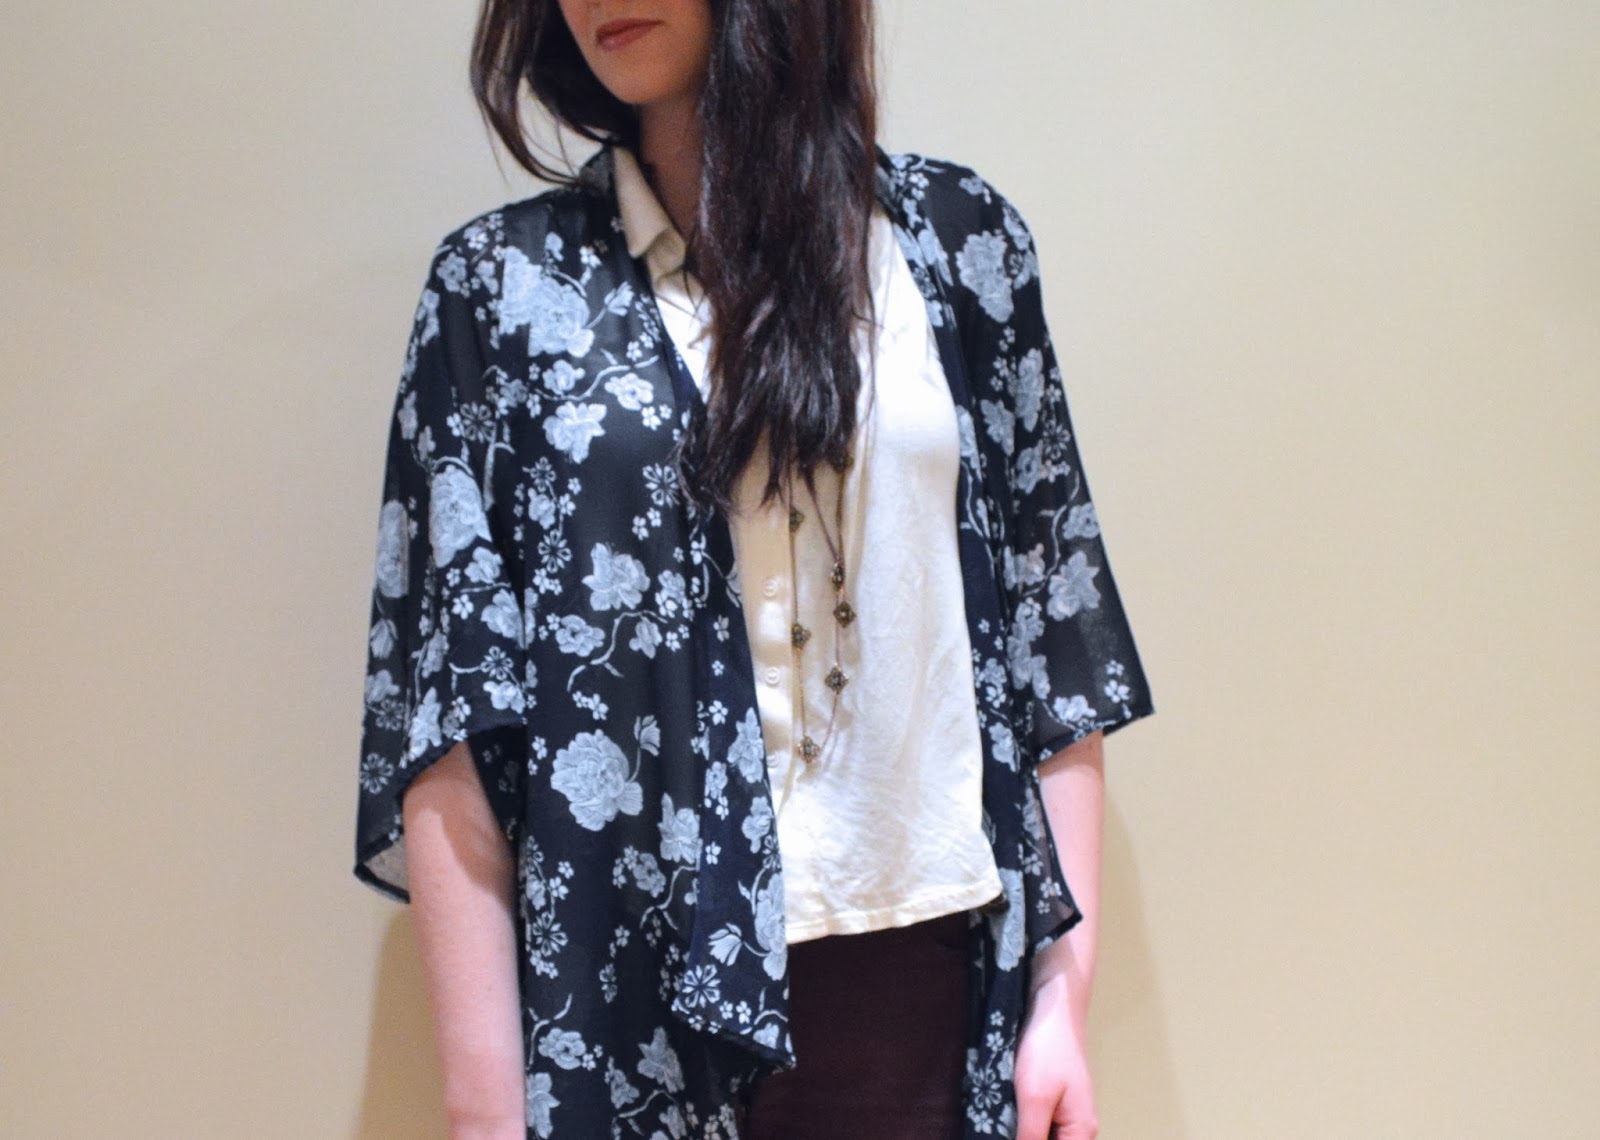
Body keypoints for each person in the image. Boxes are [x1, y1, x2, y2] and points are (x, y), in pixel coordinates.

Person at [352, 1, 1154, 1137]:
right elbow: (451, 720)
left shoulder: (957, 247)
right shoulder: (499, 292)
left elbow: (1054, 645)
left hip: (925, 1005)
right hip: (622, 1019)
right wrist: (484, 1107)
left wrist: (1059, 1008)